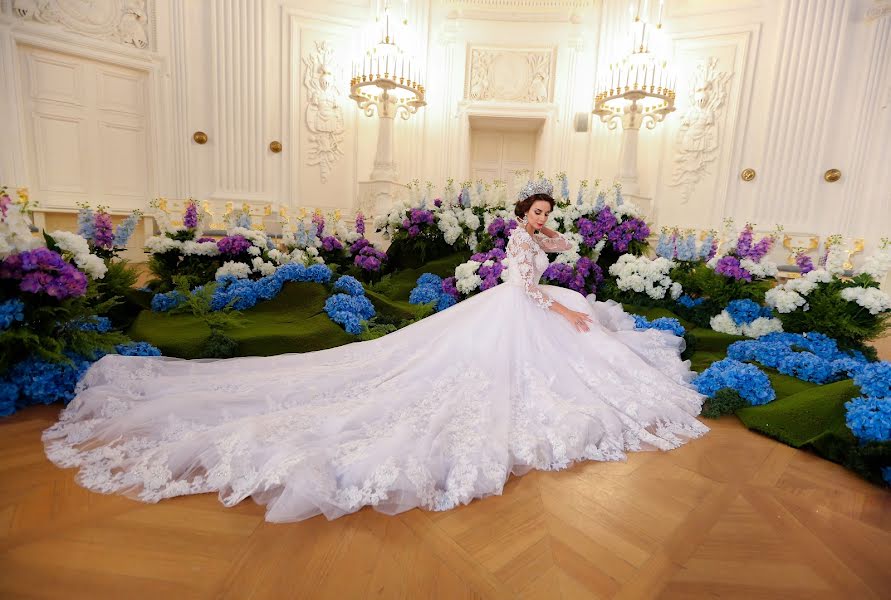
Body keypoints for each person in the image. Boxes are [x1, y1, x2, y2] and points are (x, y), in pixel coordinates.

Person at [43, 180, 708, 523]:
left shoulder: (542, 233)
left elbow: (558, 253)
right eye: (533, 211)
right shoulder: (515, 240)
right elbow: (527, 284)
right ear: (520, 213)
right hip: (518, 306)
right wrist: (564, 304)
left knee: (571, 325)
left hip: (520, 305)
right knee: (539, 344)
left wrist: (565, 244)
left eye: (543, 211)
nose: (538, 218)